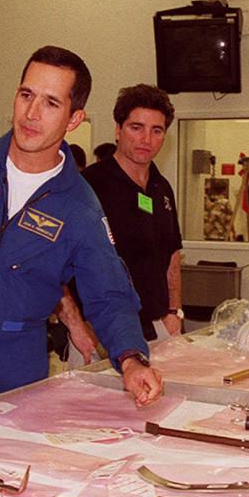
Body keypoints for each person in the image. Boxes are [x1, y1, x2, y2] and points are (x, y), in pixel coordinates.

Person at [0, 46, 163, 421]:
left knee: (6, 471)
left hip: (15, 372)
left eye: (51, 103)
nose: (31, 113)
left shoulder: (79, 207)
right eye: (27, 95)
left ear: (74, 119)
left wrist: (131, 359)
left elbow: (109, 294)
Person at [58, 84, 183, 361]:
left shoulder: (161, 188)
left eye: (156, 130)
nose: (146, 139)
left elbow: (172, 254)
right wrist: (76, 324)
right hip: (98, 336)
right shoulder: (86, 187)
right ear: (118, 130)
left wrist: (175, 313)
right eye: (136, 127)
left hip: (158, 331)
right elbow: (52, 265)